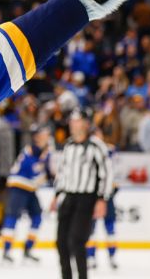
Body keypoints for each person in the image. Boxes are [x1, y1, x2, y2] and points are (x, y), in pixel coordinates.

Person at [51, 108, 114, 279]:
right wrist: (57, 196)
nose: (73, 124)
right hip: (68, 196)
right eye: (72, 121)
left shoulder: (96, 146)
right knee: (61, 242)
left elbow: (106, 173)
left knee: (76, 241)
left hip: (86, 198)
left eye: (77, 121)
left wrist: (102, 199)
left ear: (86, 124)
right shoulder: (68, 145)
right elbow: (62, 173)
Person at [1, 124, 52, 263]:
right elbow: (35, 172)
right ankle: (6, 250)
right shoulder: (32, 150)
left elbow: (44, 173)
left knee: (37, 217)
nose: (46, 136)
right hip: (18, 186)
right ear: (37, 137)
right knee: (12, 217)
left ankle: (28, 249)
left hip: (29, 189)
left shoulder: (43, 151)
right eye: (43, 134)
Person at [86, 128, 118, 270]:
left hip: (106, 194)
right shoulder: (86, 151)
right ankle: (91, 257)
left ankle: (112, 257)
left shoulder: (108, 150)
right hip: (92, 194)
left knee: (110, 226)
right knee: (90, 228)